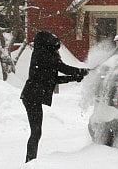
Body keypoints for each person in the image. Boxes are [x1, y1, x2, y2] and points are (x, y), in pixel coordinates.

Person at [20, 31, 89, 162]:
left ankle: (30, 161)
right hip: (32, 97)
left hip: (32, 96)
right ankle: (29, 162)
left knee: (36, 132)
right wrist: (83, 72)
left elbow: (53, 79)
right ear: (46, 42)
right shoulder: (43, 55)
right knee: (36, 132)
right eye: (52, 41)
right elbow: (63, 68)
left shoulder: (44, 54)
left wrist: (75, 77)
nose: (56, 44)